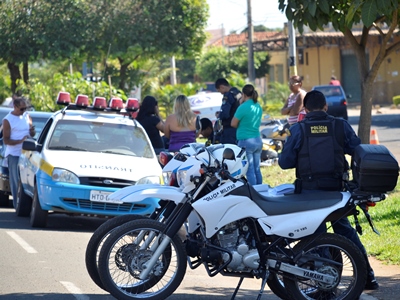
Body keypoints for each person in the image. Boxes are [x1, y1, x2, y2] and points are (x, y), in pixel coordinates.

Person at [278, 90, 379, 290]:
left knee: (316, 235)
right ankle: (368, 276)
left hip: (309, 194)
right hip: (336, 193)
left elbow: (284, 162)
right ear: (326, 107)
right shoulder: (340, 125)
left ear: (305, 110)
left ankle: (325, 281)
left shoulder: (299, 129)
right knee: (346, 232)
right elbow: (359, 151)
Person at [2, 97, 35, 208]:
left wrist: (32, 130)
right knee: (15, 180)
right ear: (15, 107)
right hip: (14, 154)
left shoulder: (27, 116)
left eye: (25, 108)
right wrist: (20, 141)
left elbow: (32, 134)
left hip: (27, 154)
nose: (24, 111)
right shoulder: (8, 120)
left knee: (27, 180)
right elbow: (6, 140)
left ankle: (28, 204)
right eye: (21, 109)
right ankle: (18, 206)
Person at [231, 84, 263, 185]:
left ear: (243, 94)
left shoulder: (243, 107)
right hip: (257, 139)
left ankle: (254, 192)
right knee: (257, 168)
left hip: (246, 140)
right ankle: (260, 190)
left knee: (249, 170)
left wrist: (241, 104)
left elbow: (233, 123)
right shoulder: (257, 106)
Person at [215, 78, 241, 144]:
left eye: (219, 90)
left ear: (222, 87)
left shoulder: (228, 96)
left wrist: (219, 115)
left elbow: (225, 114)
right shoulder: (239, 93)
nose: (220, 93)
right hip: (240, 128)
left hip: (229, 129)